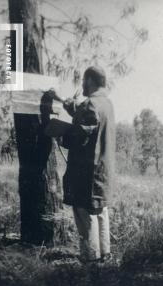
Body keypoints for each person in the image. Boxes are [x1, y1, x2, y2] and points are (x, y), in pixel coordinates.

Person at [54, 66, 115, 263]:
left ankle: (90, 262)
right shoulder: (106, 103)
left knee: (85, 214)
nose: (81, 85)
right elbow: (88, 121)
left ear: (90, 81)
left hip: (87, 173)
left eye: (83, 81)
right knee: (100, 212)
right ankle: (104, 256)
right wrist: (69, 106)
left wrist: (59, 133)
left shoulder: (90, 105)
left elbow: (81, 135)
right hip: (101, 172)